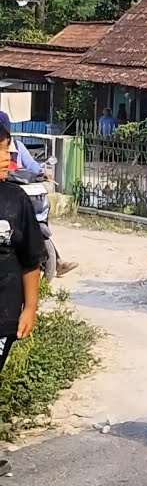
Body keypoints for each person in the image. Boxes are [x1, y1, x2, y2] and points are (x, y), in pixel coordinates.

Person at [0, 111, 76, 277]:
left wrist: (43, 172)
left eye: (5, 147)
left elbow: (33, 166)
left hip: (22, 197)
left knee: (33, 226)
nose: (5, 155)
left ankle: (57, 260)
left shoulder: (19, 147)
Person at [0, 123, 43, 383]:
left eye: (7, 149)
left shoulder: (16, 199)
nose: (7, 157)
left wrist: (30, 308)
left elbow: (31, 260)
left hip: (4, 314)